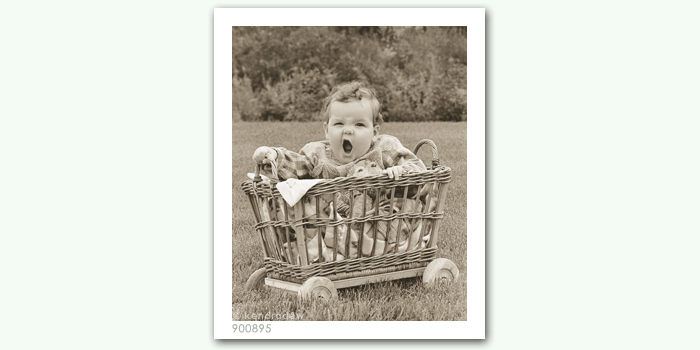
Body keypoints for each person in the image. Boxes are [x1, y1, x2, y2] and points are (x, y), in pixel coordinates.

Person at [252, 81, 426, 180]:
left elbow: (419, 170)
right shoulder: (317, 154)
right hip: (329, 230)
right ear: (326, 130)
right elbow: (294, 164)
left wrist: (401, 172)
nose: (348, 131)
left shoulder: (385, 148)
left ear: (374, 133)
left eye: (359, 125)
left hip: (375, 224)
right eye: (339, 124)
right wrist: (272, 155)